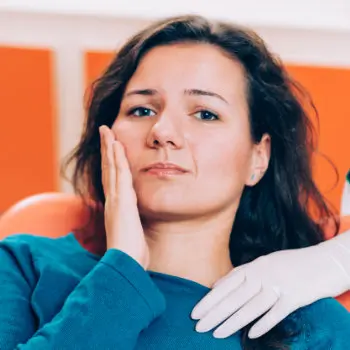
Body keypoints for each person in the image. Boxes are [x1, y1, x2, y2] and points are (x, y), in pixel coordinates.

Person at [0, 14, 349, 349]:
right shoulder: (24, 265)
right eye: (142, 110)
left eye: (205, 114)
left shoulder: (311, 326)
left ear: (258, 157)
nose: (162, 132)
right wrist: (121, 271)